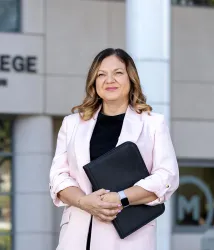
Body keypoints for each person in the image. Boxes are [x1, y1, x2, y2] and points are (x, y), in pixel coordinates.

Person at [49, 48, 179, 250]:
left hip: (129, 239)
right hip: (77, 238)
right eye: (101, 74)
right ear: (94, 81)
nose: (109, 80)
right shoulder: (72, 124)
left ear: (131, 79)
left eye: (118, 73)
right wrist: (84, 201)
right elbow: (58, 176)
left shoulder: (153, 123)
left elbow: (167, 176)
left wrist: (120, 198)